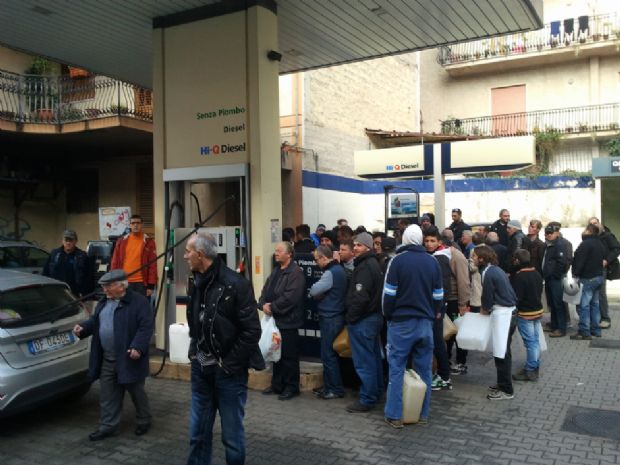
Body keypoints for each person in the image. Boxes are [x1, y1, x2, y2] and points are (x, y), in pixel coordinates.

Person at [183, 232, 263, 465]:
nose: (186, 256)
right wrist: (193, 352)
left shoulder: (236, 284)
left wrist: (227, 365)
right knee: (197, 435)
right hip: (201, 372)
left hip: (228, 375)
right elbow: (196, 323)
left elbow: (252, 332)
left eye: (188, 251)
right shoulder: (196, 282)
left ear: (200, 254)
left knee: (232, 438)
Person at [73, 270, 153, 441]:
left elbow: (145, 327)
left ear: (121, 286)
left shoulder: (139, 302)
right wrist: (84, 328)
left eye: (108, 286)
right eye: (103, 286)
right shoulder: (103, 302)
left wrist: (137, 347)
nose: (105, 290)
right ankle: (109, 426)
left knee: (137, 392)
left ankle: (144, 420)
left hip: (129, 359)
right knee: (108, 395)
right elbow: (96, 321)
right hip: (107, 358)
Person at [382, 225, 443, 428]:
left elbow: (388, 295)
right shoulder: (432, 261)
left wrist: (388, 315)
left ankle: (395, 415)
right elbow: (438, 296)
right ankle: (423, 413)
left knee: (397, 368)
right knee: (424, 370)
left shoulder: (397, 261)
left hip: (400, 323)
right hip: (425, 323)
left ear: (406, 240)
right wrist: (434, 315)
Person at [259, 241, 305, 400]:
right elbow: (265, 290)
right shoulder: (276, 271)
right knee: (275, 353)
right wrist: (262, 304)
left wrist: (272, 307)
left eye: (279, 251)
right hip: (274, 321)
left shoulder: (296, 273)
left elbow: (290, 298)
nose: (276, 253)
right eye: (275, 251)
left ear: (289, 254)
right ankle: (277, 384)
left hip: (288, 321)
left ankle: (292, 387)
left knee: (289, 356)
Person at [345, 232, 384, 413]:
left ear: (367, 247)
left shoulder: (365, 267)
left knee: (364, 361)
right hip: (371, 318)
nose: (355, 248)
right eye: (354, 245)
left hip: (363, 320)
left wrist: (351, 318)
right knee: (373, 357)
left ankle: (367, 398)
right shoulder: (371, 263)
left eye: (359, 245)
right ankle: (374, 393)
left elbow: (361, 297)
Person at [474, 245, 517, 401]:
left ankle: (506, 390)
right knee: (503, 352)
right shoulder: (495, 269)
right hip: (509, 313)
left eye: (474, 256)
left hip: (504, 315)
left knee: (501, 353)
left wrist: (484, 310)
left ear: (482, 259)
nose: (472, 259)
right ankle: (502, 383)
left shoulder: (488, 273)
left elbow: (487, 297)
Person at [309, 245, 347, 399]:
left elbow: (313, 291)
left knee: (328, 354)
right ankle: (329, 386)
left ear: (324, 258)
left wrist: (319, 294)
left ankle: (335, 389)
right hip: (336, 315)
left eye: (317, 259)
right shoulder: (339, 270)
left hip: (330, 317)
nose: (316, 262)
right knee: (329, 354)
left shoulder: (330, 273)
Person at [423, 229, 453, 392]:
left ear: (439, 242)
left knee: (437, 341)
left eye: (432, 241)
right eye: (426, 241)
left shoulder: (440, 258)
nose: (429, 244)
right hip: (432, 307)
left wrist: (440, 308)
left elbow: (443, 286)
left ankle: (444, 376)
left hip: (436, 308)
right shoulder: (432, 256)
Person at [510, 249, 544, 381]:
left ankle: (530, 369)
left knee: (530, 343)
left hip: (526, 313)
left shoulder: (520, 277)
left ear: (518, 260)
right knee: (535, 341)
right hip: (537, 311)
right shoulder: (536, 273)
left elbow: (517, 297)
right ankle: (534, 366)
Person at [570, 223, 606, 340]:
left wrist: (575, 273)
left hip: (588, 278)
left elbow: (580, 261)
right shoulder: (599, 243)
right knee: (595, 304)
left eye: (585, 230)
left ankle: (584, 331)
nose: (583, 231)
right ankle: (596, 330)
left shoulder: (586, 244)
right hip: (598, 277)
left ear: (589, 231)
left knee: (584, 305)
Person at [110, 214, 157, 298]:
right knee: (125, 309)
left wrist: (151, 285)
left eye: (138, 223)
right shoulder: (121, 242)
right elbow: (114, 262)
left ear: (141, 224)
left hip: (142, 283)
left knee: (141, 309)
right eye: (133, 223)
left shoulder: (149, 242)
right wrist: (114, 281)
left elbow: (152, 265)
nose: (135, 225)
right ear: (130, 225)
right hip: (124, 282)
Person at [588, 217, 620, 329]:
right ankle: (594, 318)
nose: (594, 225)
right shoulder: (590, 237)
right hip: (591, 268)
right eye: (591, 224)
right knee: (591, 294)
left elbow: (617, 249)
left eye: (595, 223)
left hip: (602, 268)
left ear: (599, 223)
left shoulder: (607, 236)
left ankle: (605, 318)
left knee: (601, 293)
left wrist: (606, 260)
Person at [43, 229, 92, 297]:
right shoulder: (55, 253)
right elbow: (46, 272)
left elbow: (88, 276)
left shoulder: (82, 256)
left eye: (71, 240)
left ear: (75, 241)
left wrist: (84, 293)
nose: (68, 243)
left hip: (74, 293)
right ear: (62, 241)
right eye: (66, 240)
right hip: (55, 291)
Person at [542, 223, 571, 337]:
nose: (548, 235)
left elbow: (562, 262)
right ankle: (555, 326)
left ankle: (560, 328)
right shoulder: (550, 244)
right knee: (552, 304)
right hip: (550, 278)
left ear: (557, 233)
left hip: (555, 279)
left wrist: (555, 275)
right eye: (546, 233)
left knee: (558, 304)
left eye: (550, 233)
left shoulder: (560, 244)